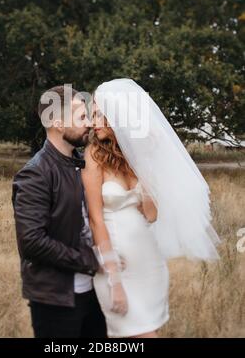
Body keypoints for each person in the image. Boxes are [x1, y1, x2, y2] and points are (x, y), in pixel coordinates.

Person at [81, 77, 221, 338]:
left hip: (148, 262)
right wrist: (113, 278)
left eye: (100, 115)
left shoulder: (133, 158)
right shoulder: (94, 155)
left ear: (118, 117)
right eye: (92, 115)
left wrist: (144, 158)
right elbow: (95, 218)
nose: (93, 122)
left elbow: (151, 214)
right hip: (117, 266)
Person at [12, 85, 107, 338]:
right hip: (57, 299)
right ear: (57, 122)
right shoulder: (36, 173)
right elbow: (32, 241)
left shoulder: (85, 164)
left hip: (95, 294)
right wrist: (91, 261)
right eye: (81, 117)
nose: (89, 123)